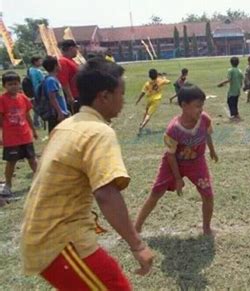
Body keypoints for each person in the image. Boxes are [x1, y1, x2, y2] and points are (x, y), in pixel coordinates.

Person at [21, 58, 154, 289]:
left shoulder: (67, 125)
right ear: (104, 96)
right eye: (121, 93)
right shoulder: (98, 132)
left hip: (48, 236)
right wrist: (138, 245)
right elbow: (106, 192)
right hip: (61, 241)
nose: (123, 100)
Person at [135, 85, 218, 235]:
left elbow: (207, 134)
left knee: (208, 195)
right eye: (197, 106)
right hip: (173, 164)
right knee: (156, 193)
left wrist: (212, 150)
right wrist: (178, 178)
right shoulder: (173, 129)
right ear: (184, 106)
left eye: (202, 106)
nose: (201, 109)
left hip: (197, 163)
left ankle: (206, 228)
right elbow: (170, 155)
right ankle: (137, 227)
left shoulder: (204, 119)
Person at [0, 72, 38, 197]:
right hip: (11, 138)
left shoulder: (23, 98)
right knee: (11, 162)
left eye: (16, 84)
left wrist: (33, 130)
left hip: (25, 135)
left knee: (32, 160)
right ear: (4, 85)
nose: (13, 87)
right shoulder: (2, 100)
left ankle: (40, 181)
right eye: (10, 84)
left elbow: (27, 115)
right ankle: (8, 185)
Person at [136, 69, 170, 134]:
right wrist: (163, 77)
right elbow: (169, 82)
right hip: (156, 100)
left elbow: (143, 93)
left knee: (146, 111)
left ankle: (142, 122)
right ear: (157, 75)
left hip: (149, 99)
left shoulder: (147, 83)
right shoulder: (161, 80)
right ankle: (142, 125)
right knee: (149, 114)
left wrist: (138, 100)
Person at [42, 56, 70, 133]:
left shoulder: (54, 79)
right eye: (58, 64)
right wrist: (59, 112)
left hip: (61, 112)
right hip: (56, 114)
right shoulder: (51, 80)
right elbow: (52, 97)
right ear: (55, 66)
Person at [57, 40, 80, 114]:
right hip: (73, 96)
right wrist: (70, 96)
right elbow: (64, 80)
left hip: (78, 94)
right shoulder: (63, 61)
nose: (77, 51)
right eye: (76, 48)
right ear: (71, 48)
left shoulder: (71, 61)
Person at [29, 55, 45, 128]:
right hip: (39, 91)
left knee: (36, 107)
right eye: (40, 61)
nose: (41, 62)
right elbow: (43, 81)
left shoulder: (30, 70)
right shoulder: (38, 71)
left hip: (33, 91)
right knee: (40, 107)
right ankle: (37, 123)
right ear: (35, 62)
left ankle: (36, 122)